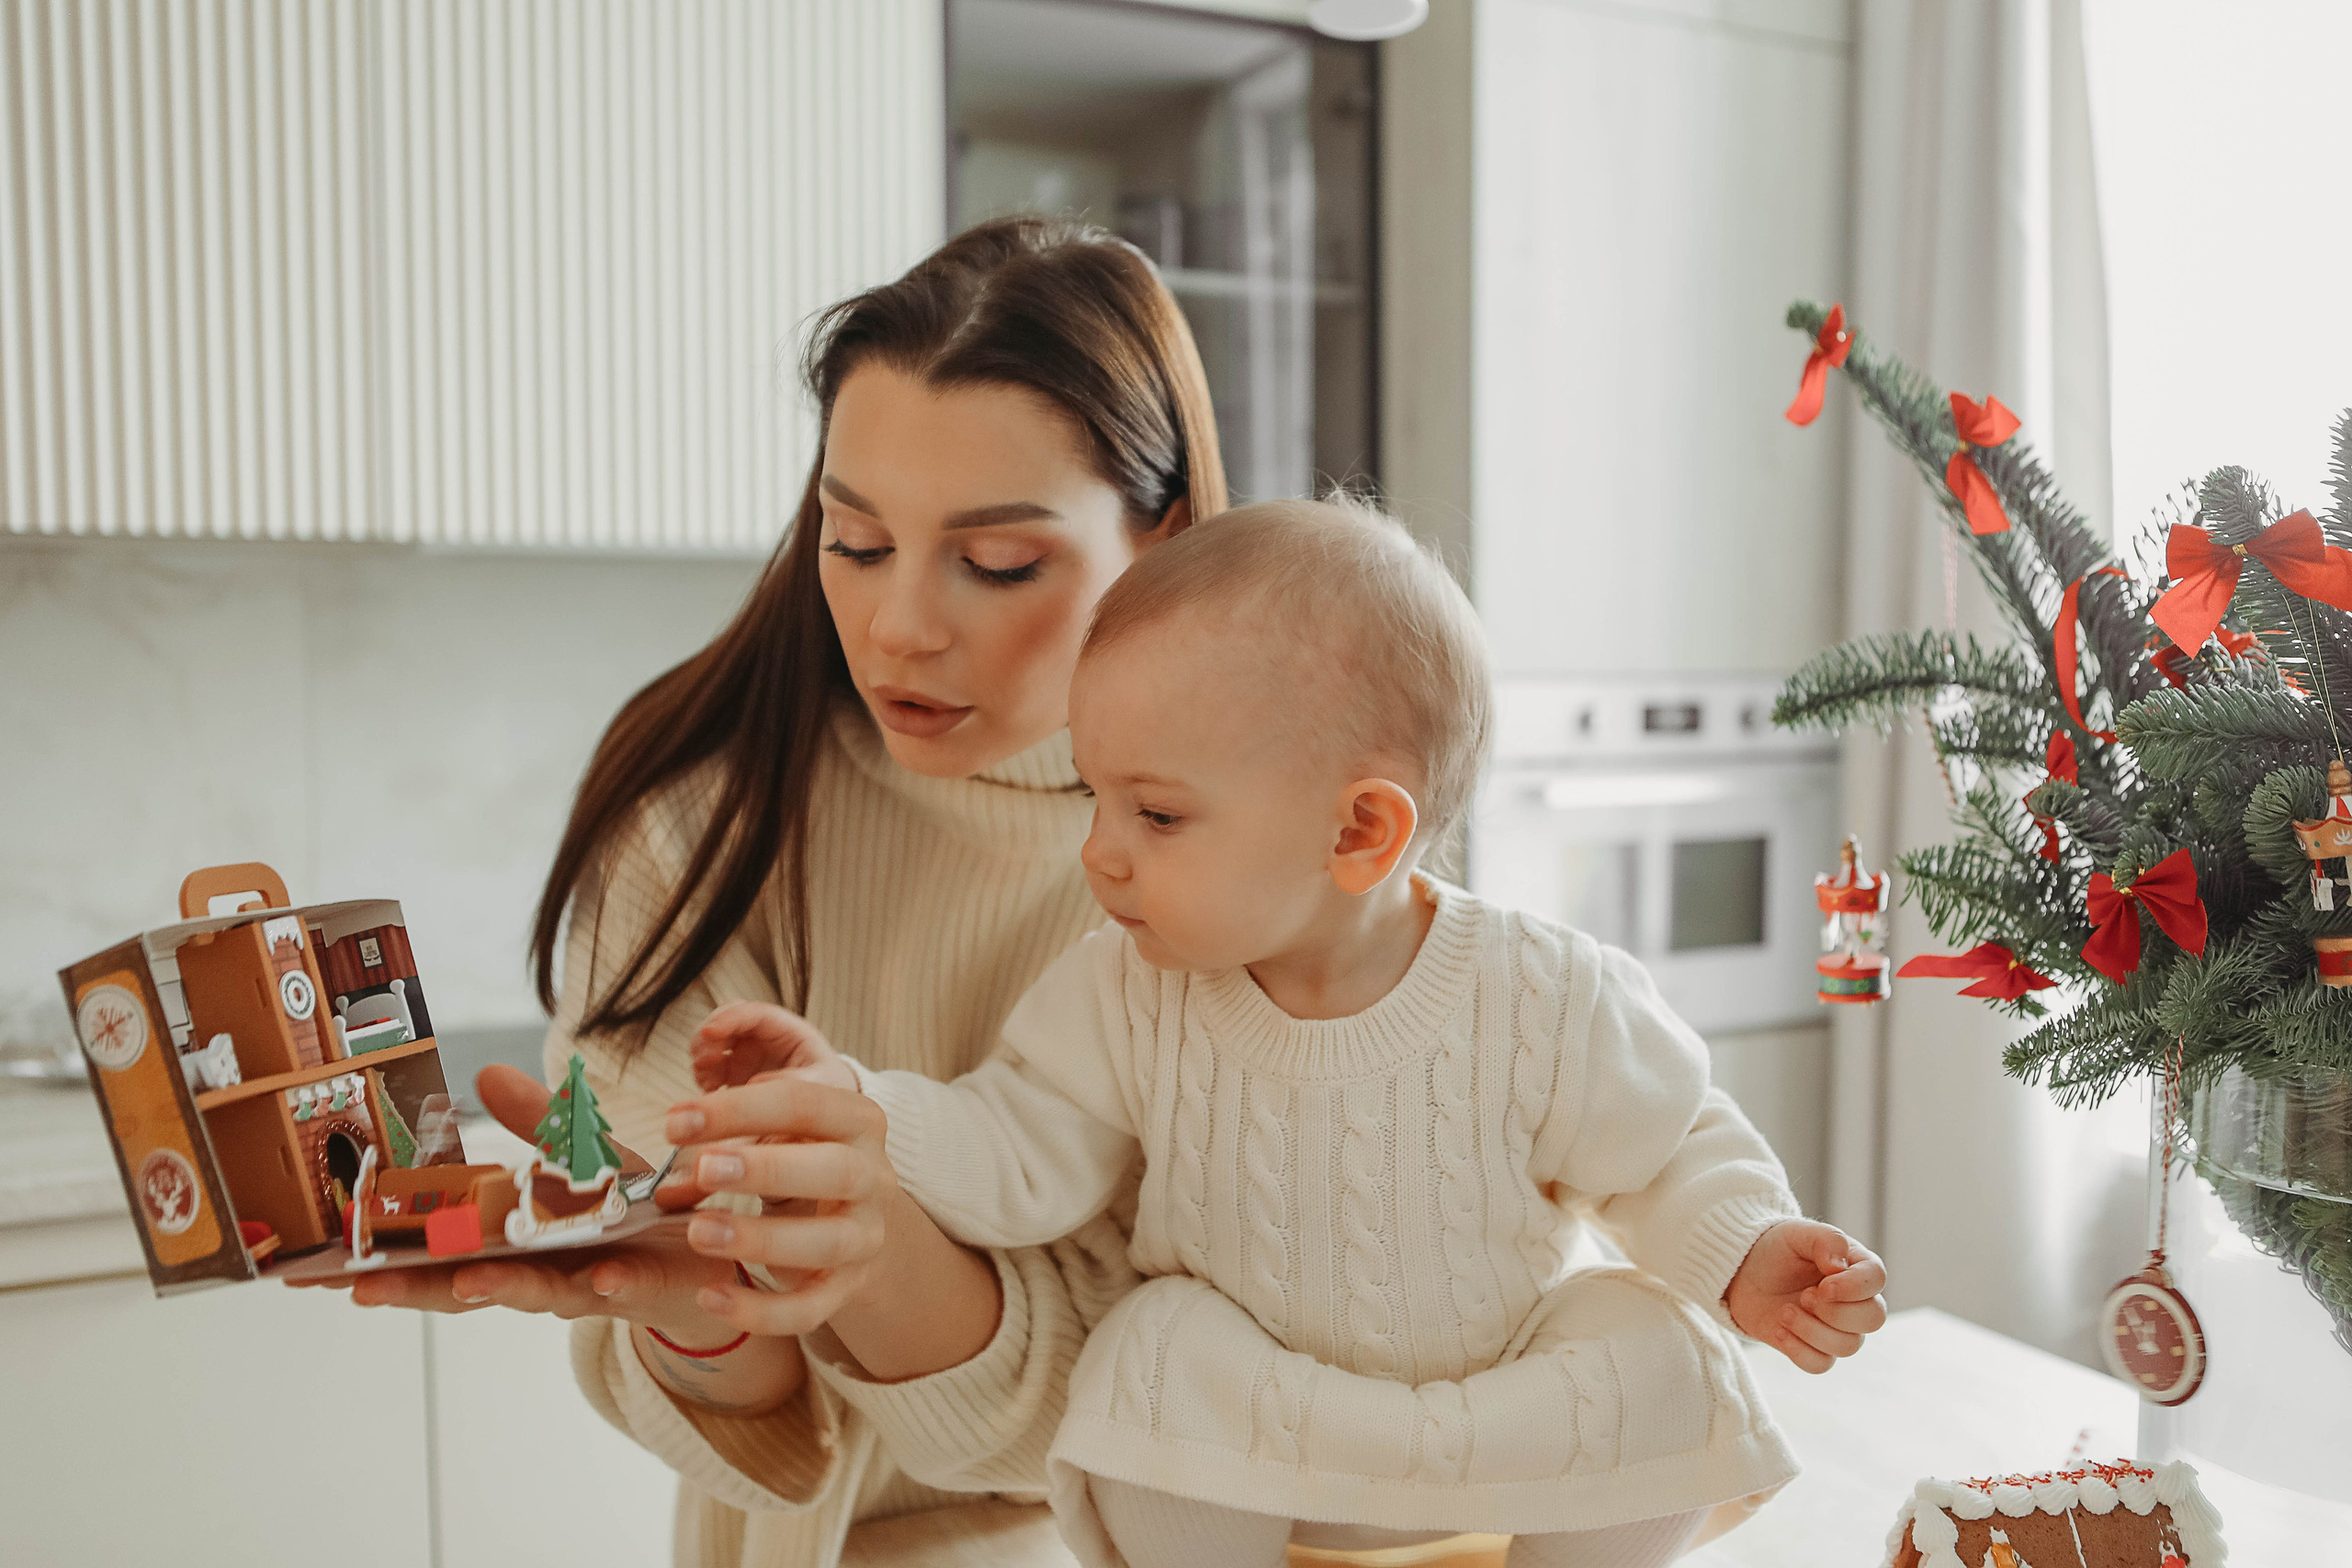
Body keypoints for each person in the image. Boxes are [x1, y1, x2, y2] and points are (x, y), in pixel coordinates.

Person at [695, 500, 1892, 1568]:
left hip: (1505, 1427)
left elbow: (1675, 1146)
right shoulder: (1125, 990)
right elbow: (1011, 1152)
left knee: (1663, 1346)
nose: (1100, 851)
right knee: (1155, 1344)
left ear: (1359, 833)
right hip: (1261, 1447)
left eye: (1156, 812)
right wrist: (857, 1108)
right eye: (1097, 797)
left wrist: (1745, 1250)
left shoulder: (1544, 993)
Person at [332, 217, 1233, 1564]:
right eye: (856, 541)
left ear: (1160, 540)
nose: (900, 627)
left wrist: (883, 1262)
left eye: (997, 564)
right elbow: (755, 1440)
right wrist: (701, 1318)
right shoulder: (703, 822)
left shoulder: (1259, 859)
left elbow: (1206, 1405)